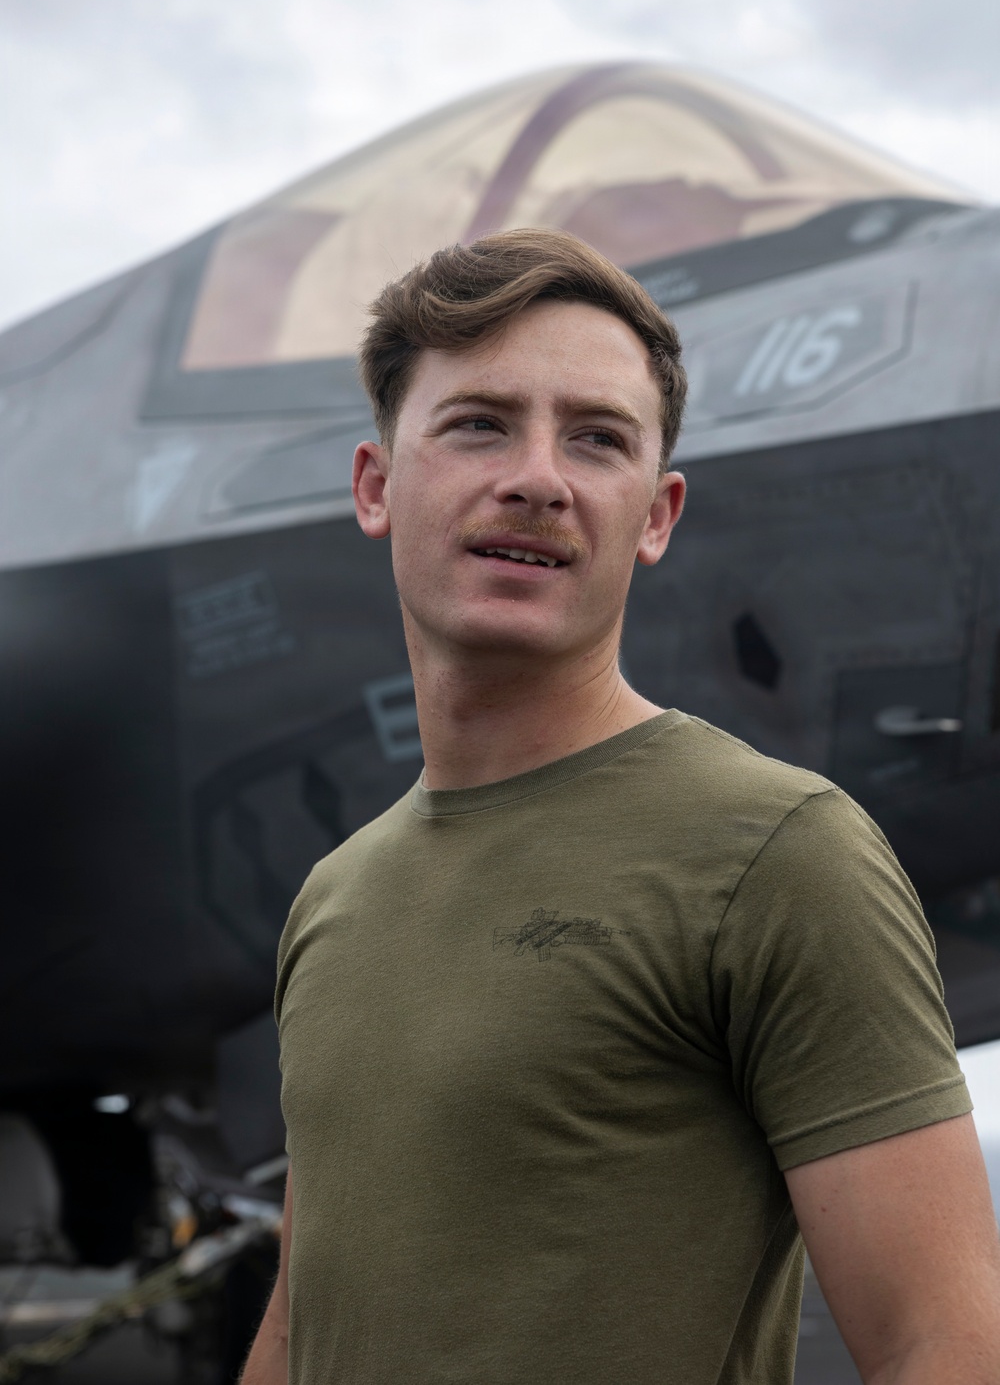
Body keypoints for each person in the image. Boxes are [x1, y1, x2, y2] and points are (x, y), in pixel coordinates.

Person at [242, 229, 1000, 1385]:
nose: (538, 477)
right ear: (376, 485)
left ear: (655, 515)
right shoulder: (333, 899)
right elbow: (305, 1319)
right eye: (479, 423)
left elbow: (940, 1344)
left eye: (596, 439)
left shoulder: (780, 855)